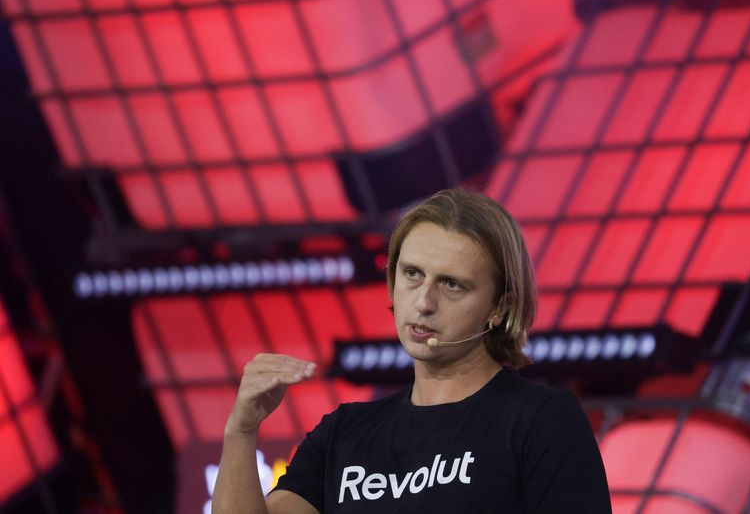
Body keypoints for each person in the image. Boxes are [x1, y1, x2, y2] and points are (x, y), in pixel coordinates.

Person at [212, 188, 611, 513]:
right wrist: (241, 432)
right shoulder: (343, 433)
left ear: (500, 306)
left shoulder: (541, 420)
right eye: (412, 274)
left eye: (452, 284)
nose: (423, 302)